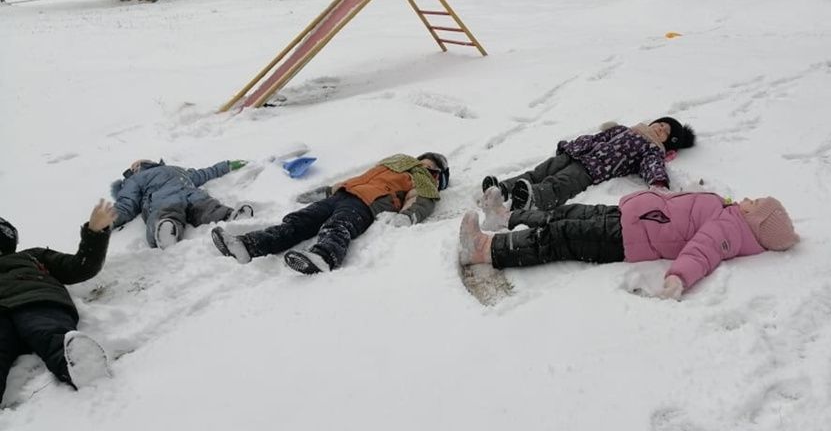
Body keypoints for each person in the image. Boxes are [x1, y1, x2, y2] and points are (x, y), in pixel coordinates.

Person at [460, 191, 797, 299]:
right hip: (626, 216)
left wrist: (679, 277)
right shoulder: (729, 212)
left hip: (626, 239)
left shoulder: (730, 229)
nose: (748, 199)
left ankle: (485, 249)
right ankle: (506, 217)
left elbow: (702, 251)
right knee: (565, 213)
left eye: (755, 203)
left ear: (756, 222)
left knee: (560, 236)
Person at [212, 152, 450, 275]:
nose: (424, 165)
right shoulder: (393, 164)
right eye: (423, 161)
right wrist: (326, 191)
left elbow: (422, 200)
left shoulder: (423, 180)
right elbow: (358, 179)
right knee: (298, 221)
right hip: (344, 193)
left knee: (338, 226)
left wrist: (408, 216)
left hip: (368, 204)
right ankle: (249, 245)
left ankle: (324, 257)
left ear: (437, 174)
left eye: (431, 166)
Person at [0, 201, 117, 401]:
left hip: (35, 299)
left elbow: (79, 267)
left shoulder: (32, 257)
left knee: (48, 331)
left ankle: (80, 365)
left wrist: (95, 233)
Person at [480, 117, 695, 212]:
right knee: (540, 171)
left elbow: (652, 165)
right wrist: (574, 145)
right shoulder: (627, 129)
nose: (661, 128)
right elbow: (598, 137)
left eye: (666, 132)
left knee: (561, 182)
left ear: (667, 142)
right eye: (661, 124)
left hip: (594, 168)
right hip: (577, 153)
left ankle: (534, 198)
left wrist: (658, 182)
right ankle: (503, 188)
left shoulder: (652, 149)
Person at [111, 158, 252, 249]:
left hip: (164, 198)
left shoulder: (135, 179)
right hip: (189, 193)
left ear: (136, 170)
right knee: (207, 207)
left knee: (167, 212)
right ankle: (230, 216)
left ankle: (167, 228)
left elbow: (126, 204)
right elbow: (205, 173)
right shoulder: (175, 169)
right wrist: (227, 165)